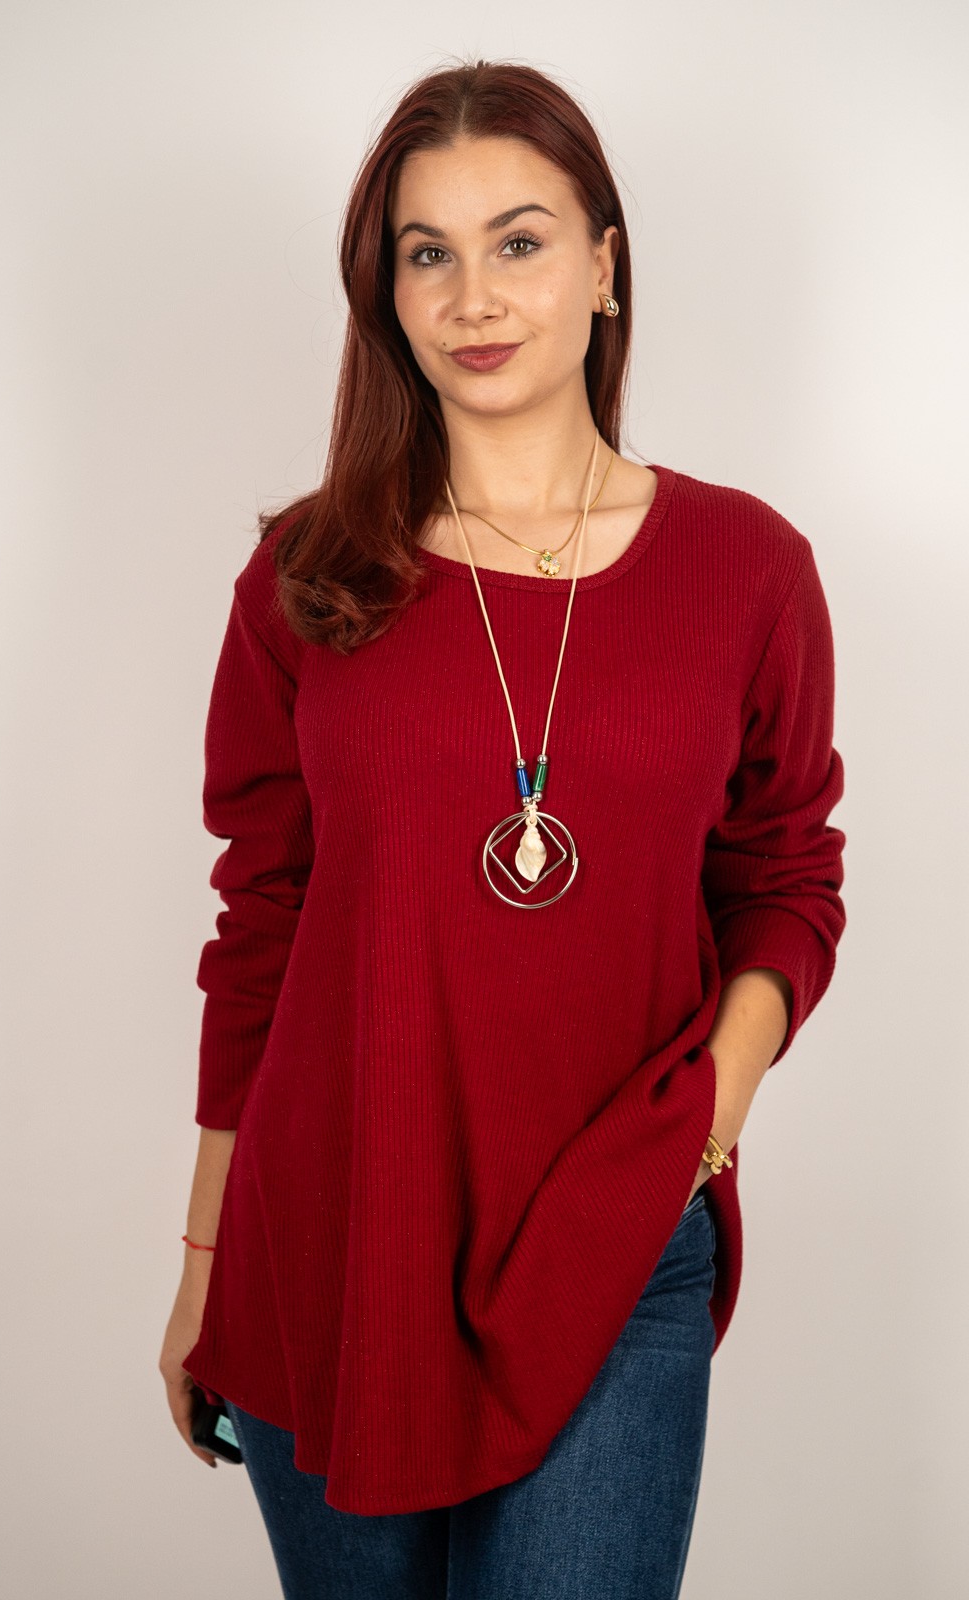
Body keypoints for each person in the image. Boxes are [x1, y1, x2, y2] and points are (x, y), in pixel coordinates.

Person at [158, 57, 846, 1599]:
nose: (474, 295)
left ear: (604, 265)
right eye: (430, 252)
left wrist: (710, 1112)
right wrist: (203, 1266)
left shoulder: (747, 567)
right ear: (388, 294)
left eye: (520, 241)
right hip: (332, 1249)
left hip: (616, 1235)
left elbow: (787, 871)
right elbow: (261, 925)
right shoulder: (307, 576)